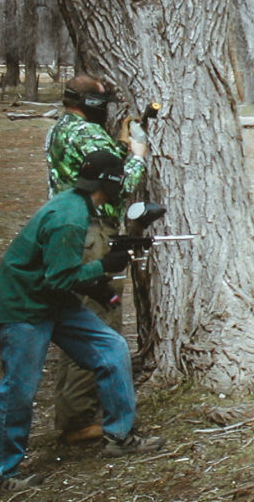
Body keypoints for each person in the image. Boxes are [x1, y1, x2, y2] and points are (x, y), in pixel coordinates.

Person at [0, 150, 166, 492]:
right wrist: (104, 267)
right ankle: (0, 474)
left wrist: (98, 287)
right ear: (110, 183)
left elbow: (59, 275)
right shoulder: (69, 217)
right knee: (20, 389)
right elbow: (58, 278)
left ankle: (119, 435)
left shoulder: (77, 203)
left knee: (111, 346)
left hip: (51, 299)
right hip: (24, 305)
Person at [45, 74, 147, 445]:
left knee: (80, 322)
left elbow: (93, 171)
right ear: (89, 103)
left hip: (73, 230)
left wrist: (116, 148)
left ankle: (77, 411)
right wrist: (137, 155)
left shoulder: (61, 129)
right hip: (92, 233)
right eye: (102, 102)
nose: (105, 109)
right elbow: (118, 183)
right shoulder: (86, 133)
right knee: (95, 325)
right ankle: (78, 422)